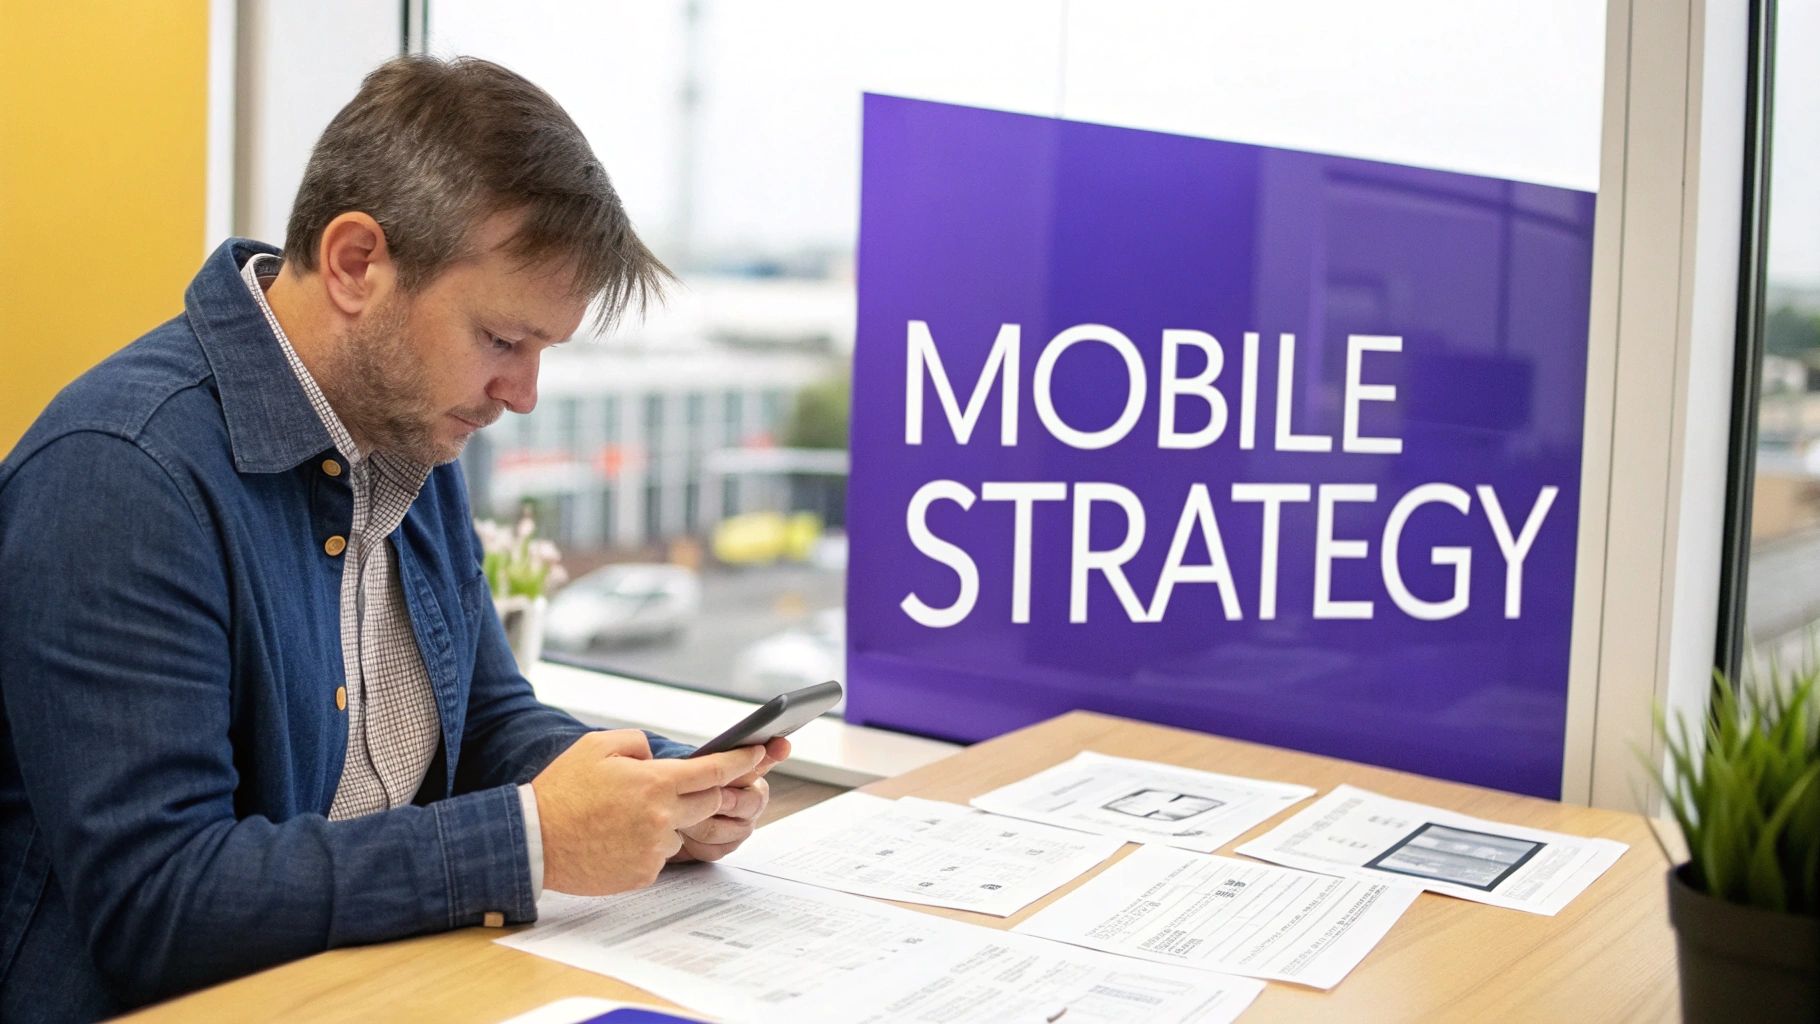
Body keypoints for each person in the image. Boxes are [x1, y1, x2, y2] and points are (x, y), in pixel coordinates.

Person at [0, 55, 787, 1021]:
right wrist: (531, 840)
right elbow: (162, 903)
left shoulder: (409, 430)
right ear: (356, 263)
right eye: (503, 340)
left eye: (544, 352)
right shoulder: (122, 472)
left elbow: (491, 723)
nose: (523, 396)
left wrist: (661, 785)